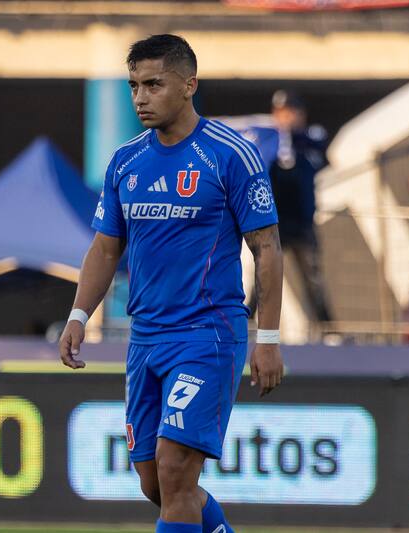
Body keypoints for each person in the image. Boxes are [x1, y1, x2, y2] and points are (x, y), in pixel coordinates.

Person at [58, 34, 284, 533]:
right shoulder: (125, 162)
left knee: (175, 469)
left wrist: (266, 339)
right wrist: (79, 315)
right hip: (145, 339)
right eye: (134, 85)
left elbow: (267, 248)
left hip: (207, 334)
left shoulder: (229, 155)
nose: (140, 97)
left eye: (154, 84)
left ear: (189, 85)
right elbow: (105, 249)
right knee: (155, 484)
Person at [267, 90, 333, 324]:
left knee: (313, 279)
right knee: (264, 275)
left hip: (303, 222)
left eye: (288, 112)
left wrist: (291, 138)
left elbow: (320, 158)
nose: (283, 118)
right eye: (279, 113)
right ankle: (250, 326)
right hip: (275, 223)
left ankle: (327, 330)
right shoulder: (270, 140)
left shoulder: (310, 137)